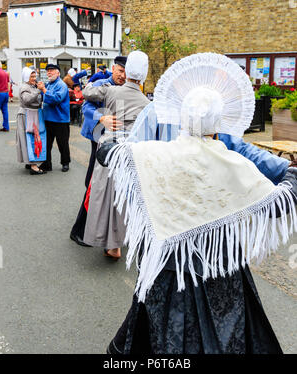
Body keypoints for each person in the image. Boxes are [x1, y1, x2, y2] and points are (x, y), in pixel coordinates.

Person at [104, 53, 297, 354]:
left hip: (167, 264)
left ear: (181, 115)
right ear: (219, 122)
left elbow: (111, 153)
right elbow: (281, 202)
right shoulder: (232, 163)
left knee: (159, 327)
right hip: (217, 264)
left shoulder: (155, 154)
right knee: (223, 333)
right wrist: (292, 174)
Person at [81, 51, 150, 259]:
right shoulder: (147, 104)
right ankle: (122, 240)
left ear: (126, 71)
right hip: (131, 154)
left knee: (104, 194)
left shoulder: (111, 92)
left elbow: (87, 93)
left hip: (109, 150)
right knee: (127, 196)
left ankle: (108, 242)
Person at [69, 56, 127, 246]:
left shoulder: (127, 88)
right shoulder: (101, 84)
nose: (123, 75)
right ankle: (79, 230)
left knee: (107, 186)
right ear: (113, 69)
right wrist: (102, 119)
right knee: (93, 183)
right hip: (98, 138)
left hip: (116, 142)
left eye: (126, 72)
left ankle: (106, 231)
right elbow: (86, 106)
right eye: (120, 71)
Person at [37, 64, 71, 173]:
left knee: (63, 143)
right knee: (47, 143)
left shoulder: (61, 85)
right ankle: (47, 163)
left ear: (58, 73)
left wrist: (44, 90)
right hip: (48, 119)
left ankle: (65, 163)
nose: (49, 73)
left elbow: (56, 99)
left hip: (60, 120)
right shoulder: (48, 84)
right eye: (48, 71)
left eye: (52, 70)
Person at [16, 67, 46, 175]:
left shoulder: (31, 86)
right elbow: (27, 100)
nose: (34, 78)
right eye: (31, 76)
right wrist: (38, 90)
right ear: (26, 77)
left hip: (32, 114)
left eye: (34, 76)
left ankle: (30, 162)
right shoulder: (25, 87)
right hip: (26, 115)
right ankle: (33, 166)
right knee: (29, 139)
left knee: (31, 139)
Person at [0, 60, 10, 132]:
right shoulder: (5, 73)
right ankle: (6, 127)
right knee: (5, 111)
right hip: (5, 93)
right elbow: (8, 83)